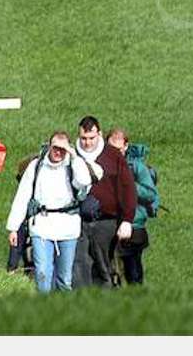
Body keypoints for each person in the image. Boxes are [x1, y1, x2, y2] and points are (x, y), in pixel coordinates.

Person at [7, 131, 93, 293]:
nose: (58, 152)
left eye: (63, 149)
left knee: (64, 278)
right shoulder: (36, 166)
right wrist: (13, 227)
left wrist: (74, 156)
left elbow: (84, 182)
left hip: (68, 227)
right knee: (42, 272)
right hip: (42, 226)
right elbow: (22, 195)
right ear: (49, 146)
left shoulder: (72, 165)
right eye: (55, 148)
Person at [71, 117, 136, 290]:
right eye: (83, 138)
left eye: (91, 138)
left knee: (104, 268)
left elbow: (127, 188)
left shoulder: (113, 155)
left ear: (99, 134)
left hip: (106, 222)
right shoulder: (71, 155)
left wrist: (127, 220)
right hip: (77, 221)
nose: (87, 143)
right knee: (79, 265)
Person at [108, 127, 159, 285]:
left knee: (133, 274)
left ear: (126, 146)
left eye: (118, 149)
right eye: (111, 148)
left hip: (134, 226)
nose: (115, 153)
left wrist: (129, 185)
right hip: (109, 225)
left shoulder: (137, 167)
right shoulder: (103, 165)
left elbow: (150, 193)